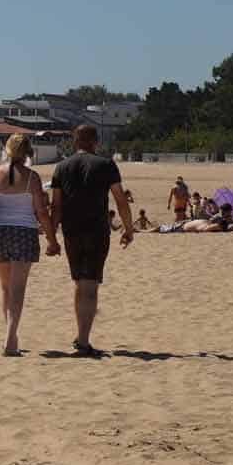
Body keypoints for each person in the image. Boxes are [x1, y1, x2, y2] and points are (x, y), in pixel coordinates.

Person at [0, 133, 59, 357]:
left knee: (6, 287)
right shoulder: (32, 177)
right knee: (18, 288)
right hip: (24, 233)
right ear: (28, 152)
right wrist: (51, 239)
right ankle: (11, 338)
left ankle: (11, 335)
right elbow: (41, 212)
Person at [51, 124, 132, 355]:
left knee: (80, 282)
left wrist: (51, 238)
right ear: (96, 142)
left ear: (75, 142)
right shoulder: (106, 165)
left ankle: (81, 336)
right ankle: (84, 340)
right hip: (96, 231)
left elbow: (56, 206)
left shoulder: (62, 167)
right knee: (90, 285)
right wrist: (128, 230)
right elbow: (120, 201)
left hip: (71, 231)